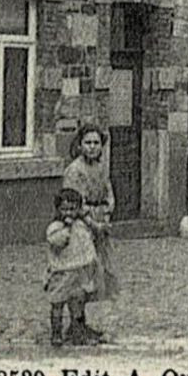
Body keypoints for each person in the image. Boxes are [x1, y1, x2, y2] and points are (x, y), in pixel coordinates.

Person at [62, 127, 119, 324]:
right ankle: (75, 324)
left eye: (96, 143)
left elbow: (108, 190)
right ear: (80, 145)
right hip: (81, 225)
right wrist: (93, 223)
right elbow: (72, 204)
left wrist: (107, 210)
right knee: (81, 274)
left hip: (100, 223)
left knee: (99, 275)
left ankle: (87, 321)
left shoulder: (101, 167)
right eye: (88, 143)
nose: (92, 147)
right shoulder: (74, 171)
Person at [45, 188, 100, 346]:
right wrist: (67, 227)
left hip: (78, 271)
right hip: (61, 273)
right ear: (58, 209)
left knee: (77, 303)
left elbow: (89, 239)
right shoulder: (55, 228)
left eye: (73, 209)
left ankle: (77, 331)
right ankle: (56, 333)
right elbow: (59, 242)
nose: (68, 213)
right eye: (64, 209)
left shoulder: (80, 225)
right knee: (58, 304)